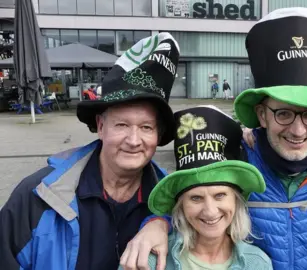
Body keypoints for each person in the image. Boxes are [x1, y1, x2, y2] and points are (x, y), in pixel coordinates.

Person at [119, 7, 307, 270]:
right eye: (283, 114)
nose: (298, 130)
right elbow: (190, 197)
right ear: (261, 115)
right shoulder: (237, 155)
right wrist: (155, 224)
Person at [0, 32, 181, 270]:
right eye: (122, 125)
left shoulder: (176, 201)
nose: (134, 140)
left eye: (146, 127)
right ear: (101, 126)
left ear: (157, 135)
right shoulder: (36, 198)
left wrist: (162, 220)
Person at [119, 105, 273, 270]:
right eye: (196, 198)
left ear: (235, 200)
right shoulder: (146, 260)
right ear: (181, 205)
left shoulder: (257, 264)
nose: (210, 211)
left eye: (220, 195)